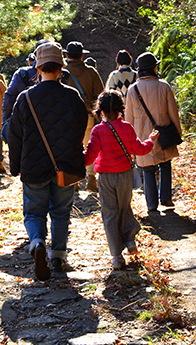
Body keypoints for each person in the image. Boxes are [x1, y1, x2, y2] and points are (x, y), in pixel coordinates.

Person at [7, 42, 87, 281]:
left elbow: (14, 135)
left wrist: (15, 167)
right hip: (65, 166)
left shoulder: (26, 98)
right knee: (61, 213)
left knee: (34, 213)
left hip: (34, 166)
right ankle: (59, 256)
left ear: (38, 67)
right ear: (61, 67)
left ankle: (38, 243)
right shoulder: (73, 97)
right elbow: (80, 129)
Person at [85, 90, 159, 269]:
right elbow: (140, 150)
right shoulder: (127, 128)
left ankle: (116, 256)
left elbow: (88, 158)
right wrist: (151, 140)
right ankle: (130, 239)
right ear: (120, 109)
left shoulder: (98, 131)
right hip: (125, 175)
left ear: (100, 111)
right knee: (124, 207)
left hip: (105, 177)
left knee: (110, 213)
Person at [125, 52, 182, 213]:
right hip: (163, 132)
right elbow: (173, 112)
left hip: (141, 136)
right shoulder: (164, 86)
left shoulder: (132, 90)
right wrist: (178, 131)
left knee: (147, 169)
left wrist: (130, 140)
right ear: (154, 68)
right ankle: (165, 197)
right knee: (165, 164)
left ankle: (151, 204)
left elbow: (128, 119)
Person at [64, 41, 104, 192]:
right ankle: (91, 178)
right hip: (87, 115)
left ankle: (74, 180)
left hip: (67, 117)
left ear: (67, 55)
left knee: (71, 146)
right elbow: (100, 95)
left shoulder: (61, 72)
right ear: (82, 55)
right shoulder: (91, 72)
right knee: (89, 147)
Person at [1, 39, 50, 127]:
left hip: (26, 125)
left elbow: (9, 99)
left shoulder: (22, 74)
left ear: (35, 55)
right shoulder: (62, 75)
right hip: (54, 126)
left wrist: (6, 124)